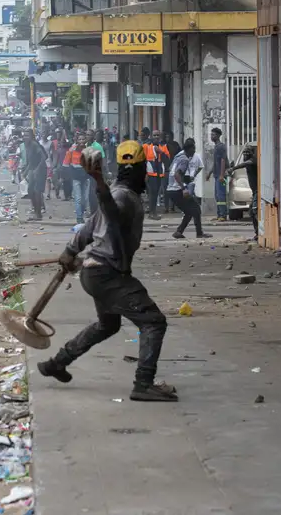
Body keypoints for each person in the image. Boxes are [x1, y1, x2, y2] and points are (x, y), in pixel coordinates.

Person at [36, 140, 178, 402]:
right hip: (106, 273)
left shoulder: (118, 192)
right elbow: (111, 213)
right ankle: (143, 383)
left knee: (108, 324)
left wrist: (70, 251)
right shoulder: (121, 196)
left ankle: (57, 363)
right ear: (141, 170)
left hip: (94, 272)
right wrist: (98, 182)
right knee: (153, 322)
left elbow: (89, 227)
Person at [167, 138, 212, 239]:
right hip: (177, 190)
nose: (194, 151)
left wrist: (187, 179)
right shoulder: (185, 159)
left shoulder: (178, 156)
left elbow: (172, 171)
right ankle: (199, 233)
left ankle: (179, 231)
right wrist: (184, 188)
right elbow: (177, 175)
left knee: (190, 211)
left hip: (171, 190)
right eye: (193, 148)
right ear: (189, 149)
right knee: (196, 209)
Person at [225, 145, 259, 241]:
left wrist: (233, 168)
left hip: (258, 191)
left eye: (247, 154)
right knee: (252, 212)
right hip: (254, 191)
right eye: (244, 154)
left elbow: (246, 163)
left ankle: (260, 233)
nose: (245, 156)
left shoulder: (253, 161)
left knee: (254, 211)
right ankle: (257, 233)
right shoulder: (249, 162)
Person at [19, 130, 50, 221]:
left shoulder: (34, 144)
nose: (25, 137)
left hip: (40, 170)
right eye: (24, 135)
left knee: (37, 191)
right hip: (33, 169)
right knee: (30, 191)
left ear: (32, 136)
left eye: (27, 135)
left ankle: (38, 214)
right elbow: (31, 161)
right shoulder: (26, 145)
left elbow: (44, 157)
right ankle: (36, 212)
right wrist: (26, 171)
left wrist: (37, 169)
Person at [142, 130, 170, 220]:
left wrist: (160, 152)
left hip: (159, 173)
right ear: (151, 136)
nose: (156, 137)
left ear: (160, 136)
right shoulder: (146, 146)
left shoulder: (163, 147)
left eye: (158, 135)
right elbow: (142, 160)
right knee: (152, 193)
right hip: (150, 173)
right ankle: (151, 213)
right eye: (154, 135)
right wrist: (144, 174)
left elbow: (167, 160)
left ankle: (153, 212)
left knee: (156, 193)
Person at [63, 134, 89, 224]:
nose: (81, 141)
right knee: (78, 198)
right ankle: (79, 218)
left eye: (83, 139)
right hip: (76, 178)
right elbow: (65, 164)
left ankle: (81, 214)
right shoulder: (71, 151)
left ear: (85, 140)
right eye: (79, 139)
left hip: (86, 178)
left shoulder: (88, 150)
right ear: (77, 141)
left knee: (85, 199)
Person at [206, 127, 229, 221]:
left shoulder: (221, 146)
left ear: (219, 135)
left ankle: (223, 215)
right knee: (217, 195)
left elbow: (223, 160)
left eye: (214, 134)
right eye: (211, 134)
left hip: (221, 176)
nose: (212, 136)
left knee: (221, 195)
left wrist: (222, 175)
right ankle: (219, 214)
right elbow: (215, 162)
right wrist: (209, 173)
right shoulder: (216, 147)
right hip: (216, 175)